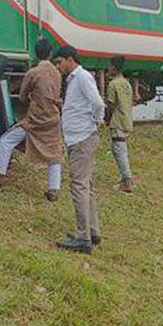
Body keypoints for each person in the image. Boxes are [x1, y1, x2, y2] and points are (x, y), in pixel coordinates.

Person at [0, 38, 63, 200]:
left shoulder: (33, 73)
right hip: (52, 119)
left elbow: (23, 97)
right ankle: (54, 188)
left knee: (6, 140)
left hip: (34, 120)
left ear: (36, 54)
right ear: (51, 54)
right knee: (54, 151)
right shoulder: (57, 73)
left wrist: (31, 97)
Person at [53, 45, 105, 254]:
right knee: (86, 186)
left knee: (78, 187)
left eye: (59, 62)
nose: (58, 67)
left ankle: (83, 237)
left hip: (82, 139)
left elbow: (98, 104)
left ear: (69, 60)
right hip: (79, 138)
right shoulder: (75, 79)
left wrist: (95, 123)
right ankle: (92, 231)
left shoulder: (82, 77)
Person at [106, 55, 135, 193]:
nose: (108, 68)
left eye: (110, 66)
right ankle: (125, 180)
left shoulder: (113, 84)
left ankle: (127, 181)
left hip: (117, 122)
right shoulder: (127, 83)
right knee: (122, 150)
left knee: (119, 151)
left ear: (114, 68)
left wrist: (106, 119)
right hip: (127, 121)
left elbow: (110, 104)